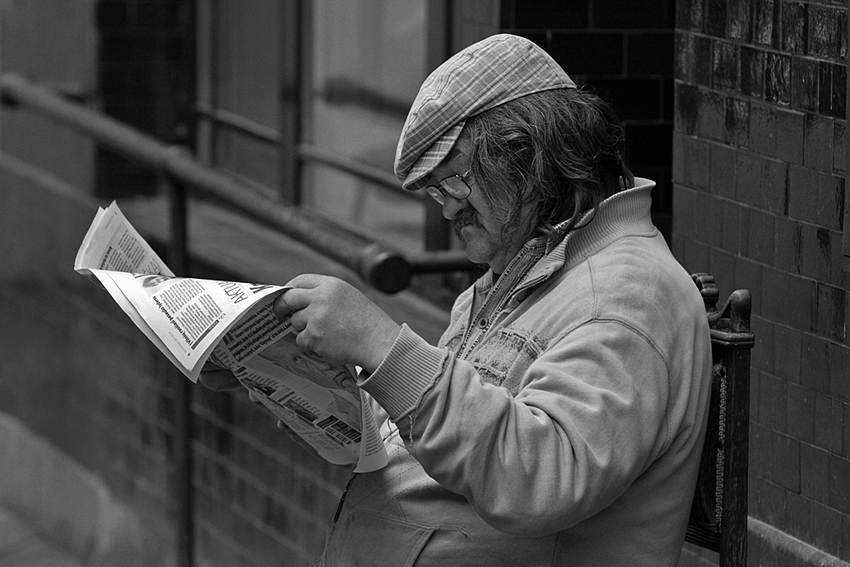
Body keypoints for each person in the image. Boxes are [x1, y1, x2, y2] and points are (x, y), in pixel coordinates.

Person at [201, 33, 713, 567]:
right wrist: (292, 380)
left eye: (455, 183)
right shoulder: (529, 271)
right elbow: (453, 430)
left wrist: (383, 347)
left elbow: (539, 479)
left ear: (529, 157)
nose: (447, 211)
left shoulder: (625, 296)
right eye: (436, 192)